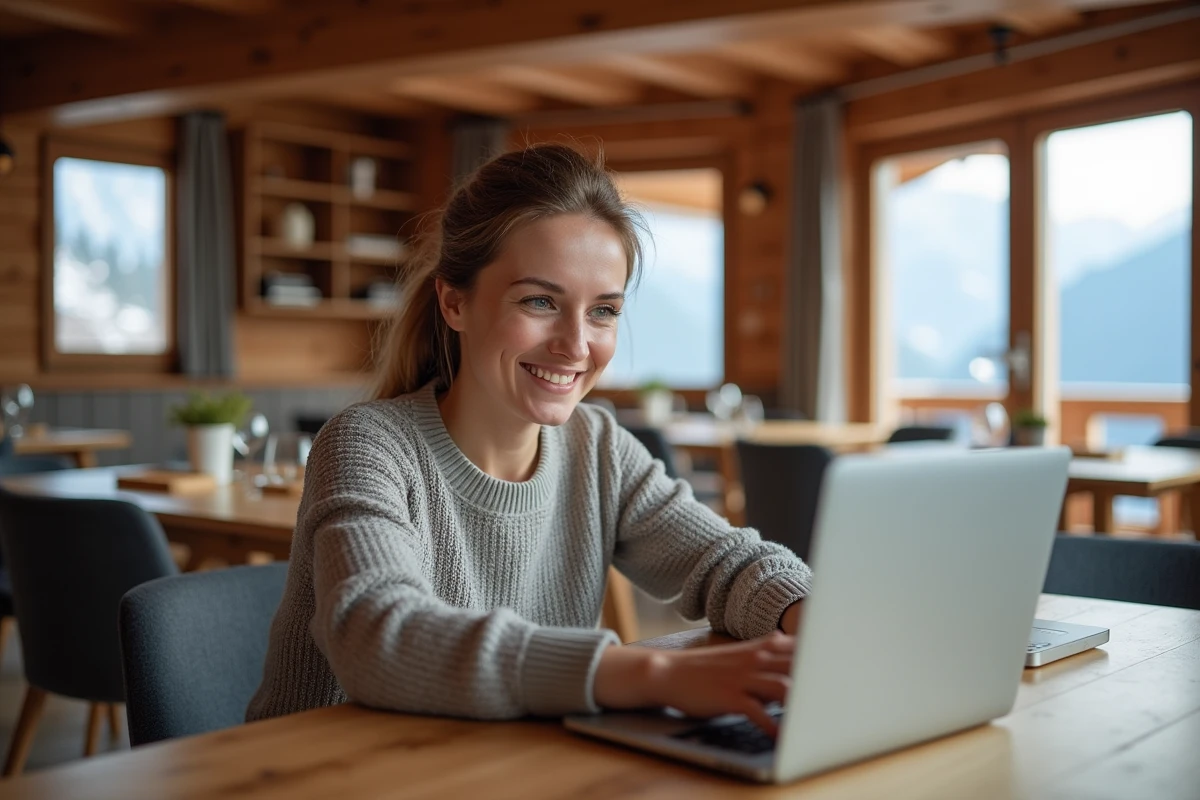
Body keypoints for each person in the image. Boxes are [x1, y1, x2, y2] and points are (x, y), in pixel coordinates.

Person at [246, 143, 812, 734]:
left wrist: (811, 614)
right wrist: (647, 674)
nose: (575, 345)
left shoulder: (598, 446)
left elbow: (728, 561)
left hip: (498, 766)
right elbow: (378, 634)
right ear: (454, 302)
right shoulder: (367, 445)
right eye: (540, 301)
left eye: (603, 311)